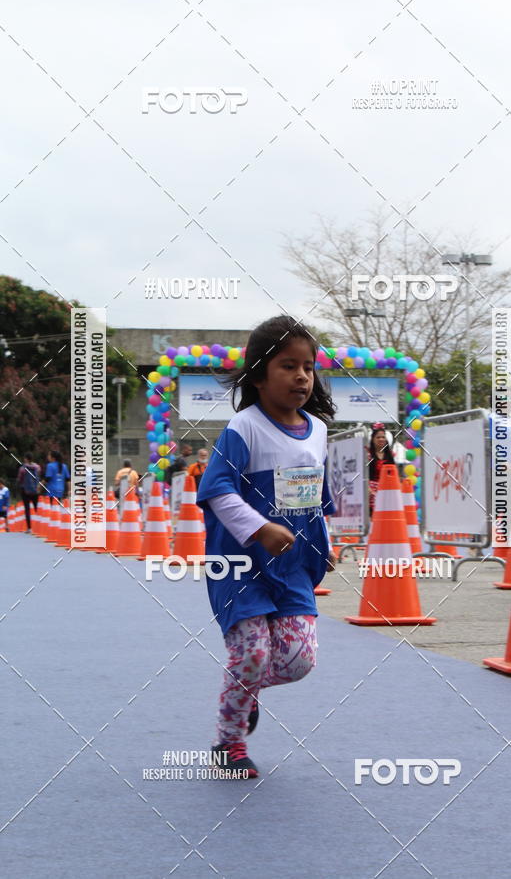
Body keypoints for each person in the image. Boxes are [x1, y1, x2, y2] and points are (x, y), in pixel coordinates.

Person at [197, 314, 337, 779]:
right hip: (239, 565)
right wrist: (259, 529)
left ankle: (246, 688)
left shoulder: (317, 431)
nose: (301, 376)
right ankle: (228, 742)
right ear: (258, 376)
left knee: (299, 662)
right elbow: (216, 491)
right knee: (253, 654)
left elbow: (316, 498)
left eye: (308, 367)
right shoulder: (244, 428)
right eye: (287, 366)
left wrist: (325, 544)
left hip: (293, 567)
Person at [367, 422, 396, 515]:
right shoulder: (368, 456)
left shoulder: (390, 456)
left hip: (387, 490)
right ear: (373, 439)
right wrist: (370, 490)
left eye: (383, 437)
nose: (381, 439)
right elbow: (363, 475)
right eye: (378, 437)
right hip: (371, 492)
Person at [17, 453, 41, 531]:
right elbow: (38, 476)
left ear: (26, 459)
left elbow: (20, 479)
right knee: (36, 508)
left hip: (25, 490)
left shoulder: (22, 468)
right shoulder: (37, 467)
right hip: (35, 490)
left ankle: (29, 528)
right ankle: (39, 526)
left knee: (27, 509)